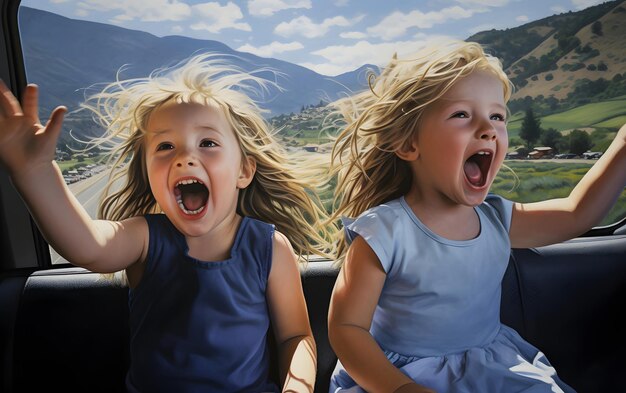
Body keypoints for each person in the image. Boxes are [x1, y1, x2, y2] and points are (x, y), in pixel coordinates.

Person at [0, 54, 336, 392]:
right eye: (165, 146)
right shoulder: (144, 238)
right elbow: (88, 246)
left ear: (243, 171)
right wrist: (36, 174)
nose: (185, 157)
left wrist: (297, 387)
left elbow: (295, 336)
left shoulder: (269, 248)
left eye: (207, 143)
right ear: (148, 172)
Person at [326, 41, 626, 393]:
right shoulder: (384, 232)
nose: (487, 128)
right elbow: (347, 329)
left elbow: (578, 214)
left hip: (492, 368)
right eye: (462, 115)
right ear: (409, 145)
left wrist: (622, 144)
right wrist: (401, 389)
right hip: (396, 378)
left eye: (497, 116)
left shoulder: (497, 218)